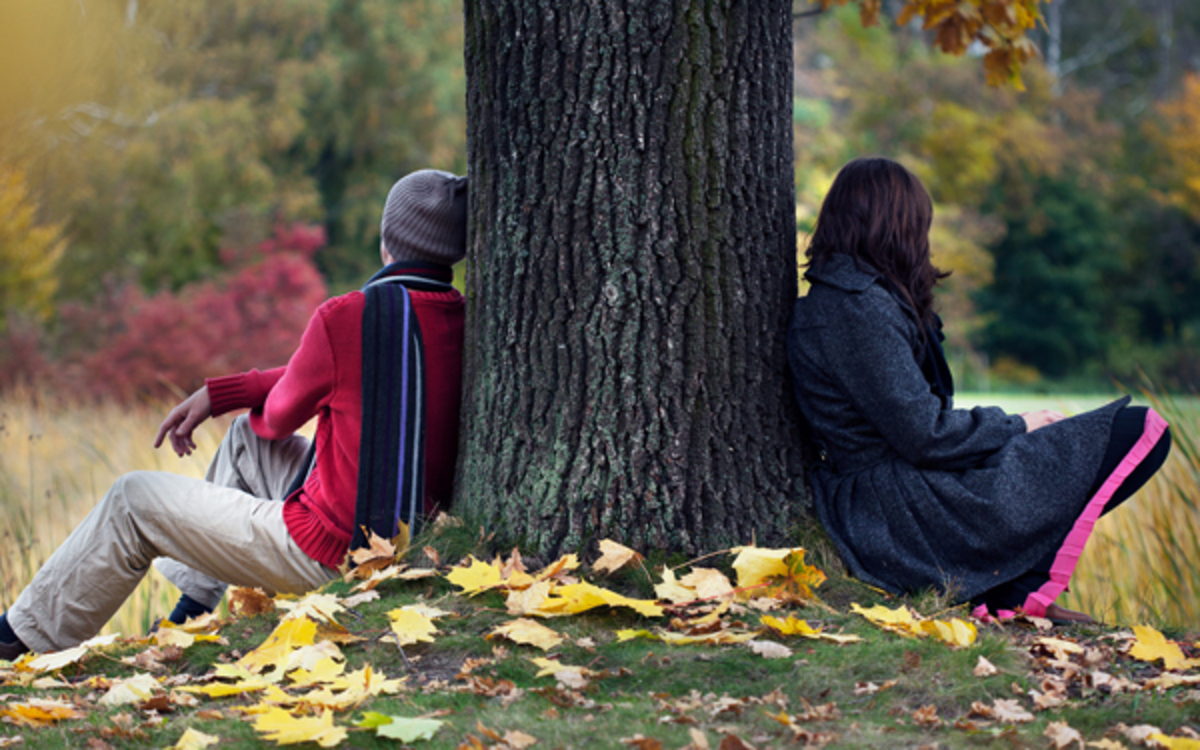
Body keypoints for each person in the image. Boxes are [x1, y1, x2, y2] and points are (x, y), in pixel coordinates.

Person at [0, 169, 467, 658]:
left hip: (334, 553)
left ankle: (22, 638)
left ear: (385, 240)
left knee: (133, 499)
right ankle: (192, 610)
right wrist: (225, 395)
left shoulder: (348, 316)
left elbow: (283, 415)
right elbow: (329, 377)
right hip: (415, 536)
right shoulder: (464, 318)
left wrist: (274, 401)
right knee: (247, 435)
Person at [787, 157, 1171, 624]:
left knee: (1115, 434)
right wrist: (1018, 424)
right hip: (897, 507)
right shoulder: (854, 308)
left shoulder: (861, 297)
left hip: (910, 485)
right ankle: (1011, 589)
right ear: (896, 224)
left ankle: (1004, 584)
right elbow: (923, 433)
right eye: (919, 223)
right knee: (1135, 428)